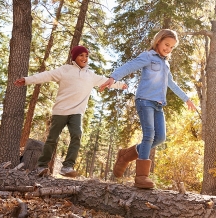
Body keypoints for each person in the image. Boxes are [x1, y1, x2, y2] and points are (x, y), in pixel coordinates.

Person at [100, 29, 196, 189]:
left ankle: (125, 155)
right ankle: (141, 176)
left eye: (172, 47)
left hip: (158, 104)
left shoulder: (165, 64)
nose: (168, 49)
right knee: (149, 135)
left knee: (160, 138)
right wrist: (113, 77)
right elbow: (130, 66)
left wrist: (186, 99)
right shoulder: (148, 56)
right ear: (158, 41)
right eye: (166, 45)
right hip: (144, 100)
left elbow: (171, 84)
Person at [14, 46, 127, 177]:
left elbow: (106, 81)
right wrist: (27, 80)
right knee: (52, 139)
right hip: (60, 110)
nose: (84, 58)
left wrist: (120, 85)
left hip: (77, 112)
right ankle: (42, 166)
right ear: (74, 57)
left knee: (77, 134)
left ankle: (67, 167)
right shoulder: (65, 70)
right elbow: (46, 75)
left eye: (86, 56)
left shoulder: (91, 75)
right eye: (81, 55)